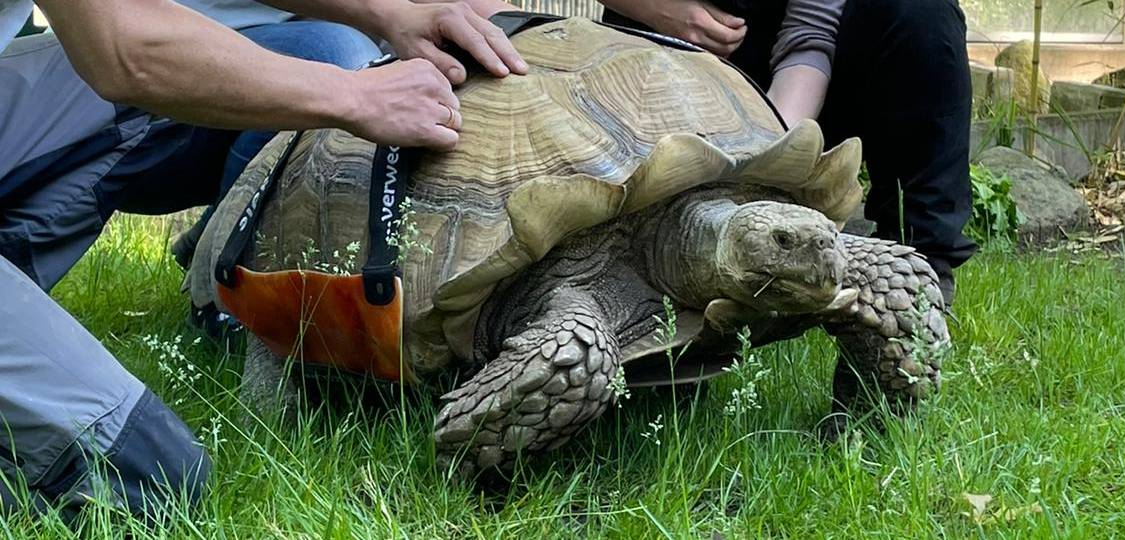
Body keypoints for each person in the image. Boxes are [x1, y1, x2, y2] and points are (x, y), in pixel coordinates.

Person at [0, 0, 523, 522]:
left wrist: (391, 14)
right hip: (114, 56)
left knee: (305, 52)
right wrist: (356, 95)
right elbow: (126, 48)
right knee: (148, 480)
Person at [599, 0, 976, 306]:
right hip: (654, 62)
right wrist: (657, 8)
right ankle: (626, 280)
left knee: (921, 12)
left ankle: (913, 282)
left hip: (790, 84)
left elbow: (811, 31)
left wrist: (765, 157)